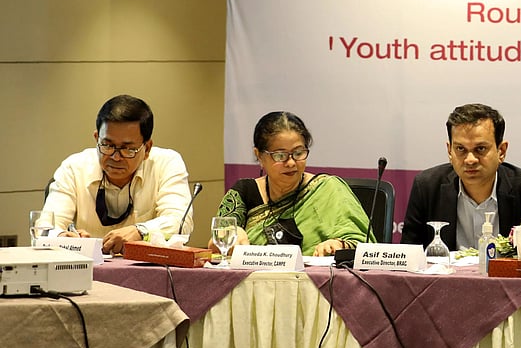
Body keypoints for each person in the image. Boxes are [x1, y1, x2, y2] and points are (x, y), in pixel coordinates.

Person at [41, 94, 193, 254]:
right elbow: (45, 228)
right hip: (88, 270)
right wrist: (62, 236)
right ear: (96, 138)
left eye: (128, 149)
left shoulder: (166, 163)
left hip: (147, 270)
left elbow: (181, 222)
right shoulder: (74, 168)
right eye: (107, 145)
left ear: (147, 148)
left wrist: (140, 232)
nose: (116, 157)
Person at [402, 103, 521, 251]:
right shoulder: (427, 188)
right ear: (449, 150)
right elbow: (409, 258)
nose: (470, 159)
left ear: (501, 151)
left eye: (480, 149)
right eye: (460, 149)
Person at [215, 111, 368, 256]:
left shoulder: (329, 189)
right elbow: (216, 243)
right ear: (259, 155)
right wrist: (233, 235)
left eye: (298, 153)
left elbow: (361, 244)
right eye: (280, 155)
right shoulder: (243, 192)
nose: (291, 163)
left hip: (318, 280)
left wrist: (339, 245)